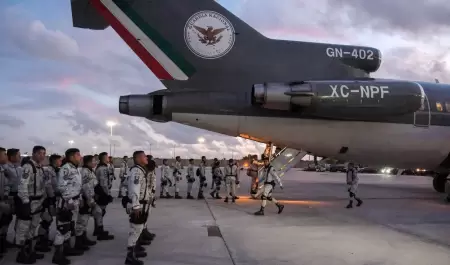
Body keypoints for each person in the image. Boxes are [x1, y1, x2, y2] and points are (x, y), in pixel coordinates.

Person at [52, 148, 84, 265]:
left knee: (70, 227)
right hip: (66, 203)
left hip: (74, 202)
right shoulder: (66, 168)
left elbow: (76, 186)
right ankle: (57, 255)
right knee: (62, 229)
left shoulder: (75, 168)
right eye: (78, 155)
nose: (80, 157)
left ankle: (67, 249)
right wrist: (69, 200)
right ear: (71, 157)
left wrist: (78, 199)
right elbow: (61, 186)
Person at [16, 146, 47, 264]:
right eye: (40, 153)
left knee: (33, 228)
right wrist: (25, 202)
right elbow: (22, 185)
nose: (42, 156)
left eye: (44, 153)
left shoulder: (39, 168)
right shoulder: (28, 167)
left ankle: (30, 250)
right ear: (33, 154)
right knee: (23, 228)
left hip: (37, 203)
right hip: (29, 201)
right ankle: (21, 254)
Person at [125, 151, 150, 265]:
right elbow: (134, 189)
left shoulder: (140, 170)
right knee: (135, 230)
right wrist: (135, 205)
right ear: (139, 158)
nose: (146, 158)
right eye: (144, 157)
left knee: (138, 229)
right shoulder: (136, 171)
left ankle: (134, 251)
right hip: (137, 205)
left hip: (141, 204)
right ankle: (129, 258)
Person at [35, 154, 61, 253]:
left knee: (49, 219)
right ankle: (41, 241)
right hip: (47, 198)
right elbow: (48, 185)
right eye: (59, 160)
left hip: (51, 197)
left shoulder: (54, 170)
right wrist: (52, 197)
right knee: (47, 219)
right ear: (55, 161)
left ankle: (44, 239)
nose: (60, 162)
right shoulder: (48, 170)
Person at [75, 155, 98, 250]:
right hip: (85, 199)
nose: (95, 162)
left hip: (88, 198)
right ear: (88, 162)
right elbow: (86, 188)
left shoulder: (89, 171)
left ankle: (83, 238)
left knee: (85, 220)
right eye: (93, 161)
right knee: (81, 221)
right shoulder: (85, 172)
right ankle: (78, 242)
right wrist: (90, 201)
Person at [93, 152, 114, 239]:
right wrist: (107, 194)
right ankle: (99, 231)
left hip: (100, 191)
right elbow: (103, 183)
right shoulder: (103, 169)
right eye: (107, 157)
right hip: (102, 192)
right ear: (104, 158)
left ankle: (97, 230)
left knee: (99, 212)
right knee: (100, 212)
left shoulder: (101, 167)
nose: (108, 158)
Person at [0, 147, 11, 259]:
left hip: (3, 201)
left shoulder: (3, 170)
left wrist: (6, 194)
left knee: (4, 222)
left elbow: (7, 184)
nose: (6, 157)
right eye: (4, 154)